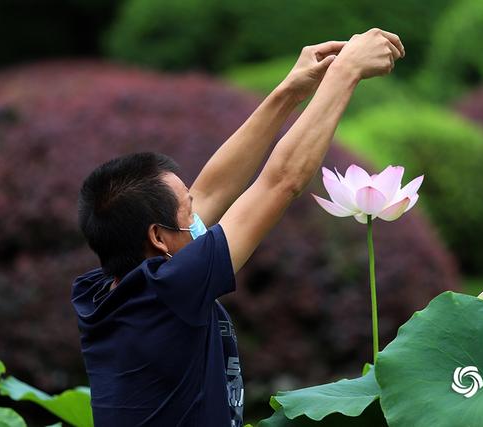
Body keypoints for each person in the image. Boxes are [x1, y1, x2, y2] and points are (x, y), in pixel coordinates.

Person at [71, 28, 405, 427]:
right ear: (158, 239)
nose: (196, 213)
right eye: (185, 211)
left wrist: (288, 92)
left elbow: (212, 189)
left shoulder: (105, 290)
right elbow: (281, 182)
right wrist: (346, 73)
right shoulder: (169, 290)